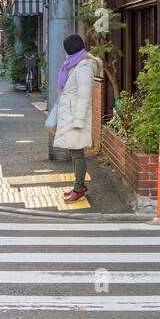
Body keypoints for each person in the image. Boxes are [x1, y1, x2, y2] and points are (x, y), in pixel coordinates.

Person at [53, 34, 99, 204]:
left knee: (78, 153)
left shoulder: (84, 67)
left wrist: (78, 120)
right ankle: (78, 187)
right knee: (74, 151)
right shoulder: (74, 64)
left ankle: (79, 189)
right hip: (70, 115)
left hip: (76, 117)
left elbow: (84, 96)